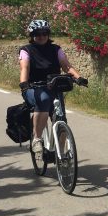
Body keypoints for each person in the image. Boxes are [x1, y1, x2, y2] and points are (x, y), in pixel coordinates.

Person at [19, 19, 87, 154]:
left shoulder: (56, 49)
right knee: (43, 100)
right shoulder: (26, 50)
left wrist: (78, 78)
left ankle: (61, 155)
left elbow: (66, 65)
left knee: (61, 120)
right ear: (32, 35)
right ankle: (37, 139)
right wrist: (24, 84)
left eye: (44, 33)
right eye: (38, 33)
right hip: (34, 88)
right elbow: (25, 67)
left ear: (48, 34)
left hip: (53, 87)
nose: (42, 36)